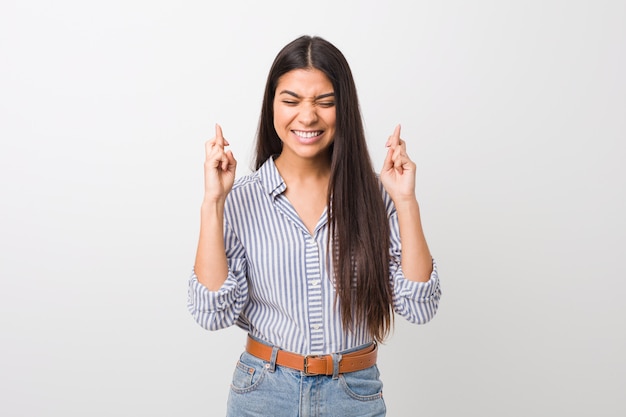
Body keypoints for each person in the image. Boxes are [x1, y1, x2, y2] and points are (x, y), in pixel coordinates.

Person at [187, 35, 441, 417]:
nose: (307, 116)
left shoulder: (377, 194)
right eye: (290, 101)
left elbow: (420, 306)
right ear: (271, 105)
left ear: (345, 109)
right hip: (263, 393)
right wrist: (213, 202)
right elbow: (211, 313)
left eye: (325, 102)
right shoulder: (241, 199)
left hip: (353, 394)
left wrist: (405, 201)